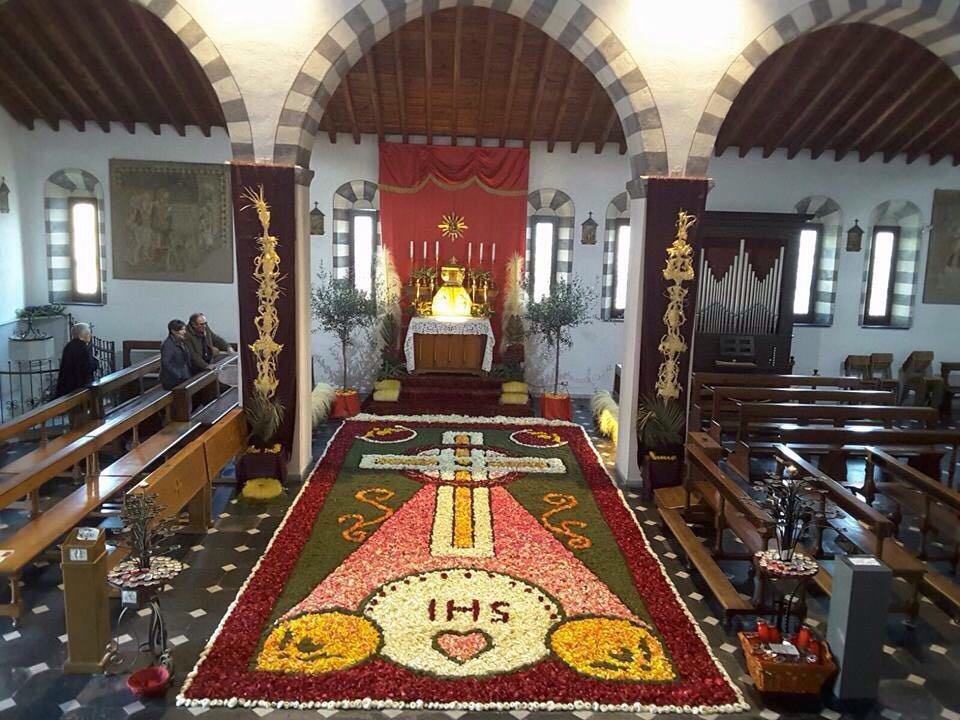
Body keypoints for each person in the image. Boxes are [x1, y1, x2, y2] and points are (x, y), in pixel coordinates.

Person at [55, 323, 99, 397]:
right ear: (81, 335)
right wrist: (96, 361)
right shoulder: (82, 348)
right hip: (79, 388)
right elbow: (86, 368)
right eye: (88, 333)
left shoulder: (69, 346)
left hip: (66, 387)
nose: (90, 335)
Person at [159, 319, 193, 390]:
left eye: (184, 329)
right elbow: (166, 363)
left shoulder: (181, 341)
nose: (184, 332)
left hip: (184, 375)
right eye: (181, 330)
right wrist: (178, 375)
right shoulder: (168, 345)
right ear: (173, 331)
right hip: (172, 380)